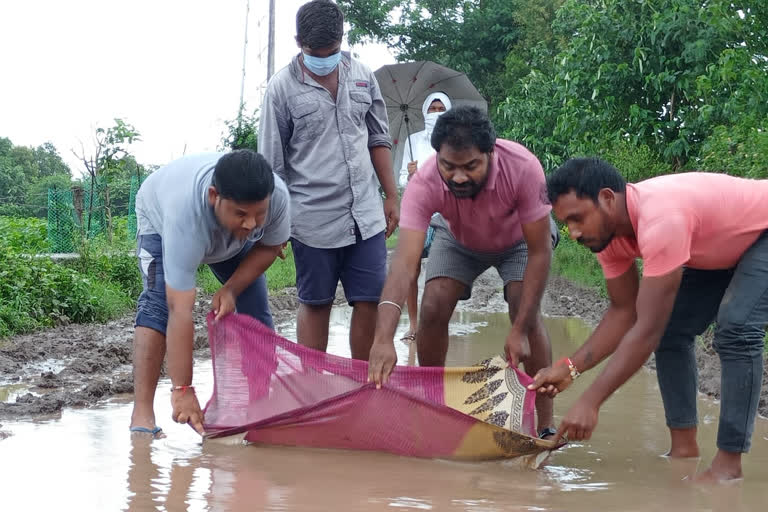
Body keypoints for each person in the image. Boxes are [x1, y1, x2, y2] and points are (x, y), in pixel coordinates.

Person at [534, 158, 768, 482]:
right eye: (566, 223)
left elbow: (645, 331)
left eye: (577, 219)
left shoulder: (661, 220)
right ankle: (684, 451)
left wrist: (591, 401)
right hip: (724, 248)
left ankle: (729, 466)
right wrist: (571, 367)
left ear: (606, 199)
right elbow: (623, 312)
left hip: (762, 232)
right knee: (672, 332)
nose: (573, 233)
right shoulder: (608, 236)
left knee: (737, 329)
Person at [368, 106, 559, 439]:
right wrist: (383, 337)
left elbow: (540, 252)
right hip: (458, 239)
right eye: (448, 166)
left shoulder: (523, 167)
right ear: (437, 157)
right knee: (433, 303)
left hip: (519, 241)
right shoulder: (425, 181)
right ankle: (432, 408)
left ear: (490, 153)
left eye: (471, 166)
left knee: (523, 307)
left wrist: (519, 328)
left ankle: (544, 425)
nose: (458, 177)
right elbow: (404, 263)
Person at [259, 0, 399, 360]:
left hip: (364, 216)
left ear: (342, 39)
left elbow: (378, 139)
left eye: (332, 51)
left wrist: (391, 195)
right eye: (315, 53)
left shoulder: (364, 76)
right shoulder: (281, 90)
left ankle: (364, 390)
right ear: (298, 42)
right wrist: (274, 227)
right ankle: (312, 388)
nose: (324, 59)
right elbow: (272, 166)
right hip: (311, 220)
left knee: (370, 300)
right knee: (315, 302)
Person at [130, 150, 290, 437]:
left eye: (259, 214)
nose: (252, 223)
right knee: (157, 307)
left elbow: (269, 246)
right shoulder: (184, 215)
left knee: (256, 310)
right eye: (242, 213)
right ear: (214, 196)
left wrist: (231, 289)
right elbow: (180, 309)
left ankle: (259, 408)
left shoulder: (277, 195)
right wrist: (183, 388)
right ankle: (142, 414)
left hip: (232, 242)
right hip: (160, 219)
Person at [398, 92, 452, 343]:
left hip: (445, 212)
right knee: (412, 267)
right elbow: (400, 180)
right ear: (423, 112)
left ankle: (437, 322)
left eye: (441, 108)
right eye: (433, 108)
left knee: (441, 270)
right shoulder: (413, 140)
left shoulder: (454, 141)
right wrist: (410, 175)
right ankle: (413, 322)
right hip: (418, 211)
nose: (437, 113)